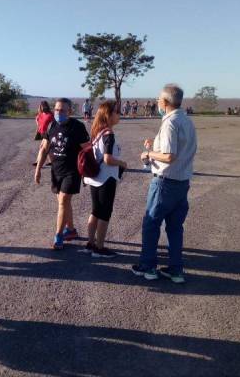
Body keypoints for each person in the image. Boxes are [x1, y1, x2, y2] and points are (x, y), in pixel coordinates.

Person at [132, 84, 197, 283]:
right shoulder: (186, 121)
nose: (157, 102)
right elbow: (182, 150)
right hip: (182, 182)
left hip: (165, 182)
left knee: (151, 224)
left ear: (166, 102)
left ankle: (148, 266)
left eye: (159, 99)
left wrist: (149, 153)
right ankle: (176, 269)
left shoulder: (170, 123)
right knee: (175, 227)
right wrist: (155, 146)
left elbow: (169, 156)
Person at [34, 98, 90, 249]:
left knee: (63, 201)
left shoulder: (77, 127)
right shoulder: (52, 125)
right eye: (57, 110)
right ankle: (70, 230)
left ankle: (58, 236)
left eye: (62, 110)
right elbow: (44, 148)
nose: (58, 113)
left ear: (70, 112)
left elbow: (87, 149)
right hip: (56, 170)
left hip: (72, 171)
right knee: (63, 203)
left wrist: (88, 172)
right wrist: (38, 169)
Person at [83, 101, 127, 258]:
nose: (119, 114)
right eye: (116, 112)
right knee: (105, 213)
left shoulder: (97, 131)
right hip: (106, 178)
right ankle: (99, 248)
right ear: (108, 115)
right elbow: (108, 159)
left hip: (94, 177)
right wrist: (123, 163)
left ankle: (90, 243)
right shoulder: (109, 134)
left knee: (95, 210)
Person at [33, 101, 54, 166]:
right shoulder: (40, 114)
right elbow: (39, 122)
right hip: (43, 133)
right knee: (47, 148)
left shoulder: (50, 115)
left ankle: (38, 162)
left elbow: (54, 123)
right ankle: (51, 161)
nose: (44, 107)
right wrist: (37, 123)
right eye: (42, 106)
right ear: (40, 107)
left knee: (43, 148)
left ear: (47, 106)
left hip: (49, 134)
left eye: (45, 106)